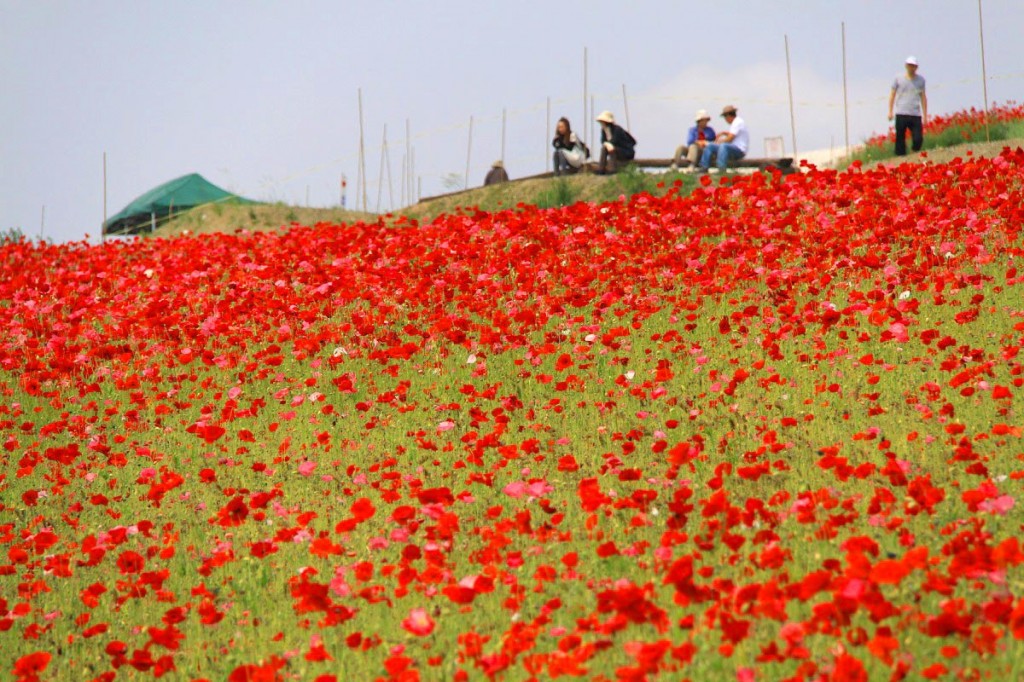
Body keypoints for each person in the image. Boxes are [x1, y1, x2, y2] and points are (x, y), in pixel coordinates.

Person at [888, 56, 928, 156]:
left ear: (916, 67)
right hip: (901, 112)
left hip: (915, 113)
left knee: (918, 138)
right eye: (910, 65)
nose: (911, 68)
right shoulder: (898, 79)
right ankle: (901, 157)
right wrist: (890, 111)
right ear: (906, 66)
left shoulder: (921, 80)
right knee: (900, 137)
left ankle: (914, 152)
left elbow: (923, 97)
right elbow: (892, 95)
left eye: (913, 66)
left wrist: (925, 115)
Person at [697, 105, 749, 174]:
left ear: (728, 116)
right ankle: (704, 167)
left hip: (739, 150)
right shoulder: (735, 123)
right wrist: (723, 133)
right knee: (710, 146)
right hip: (732, 148)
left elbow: (730, 138)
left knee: (723, 146)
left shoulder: (738, 122)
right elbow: (733, 134)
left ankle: (721, 169)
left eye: (725, 117)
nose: (725, 119)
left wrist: (719, 142)